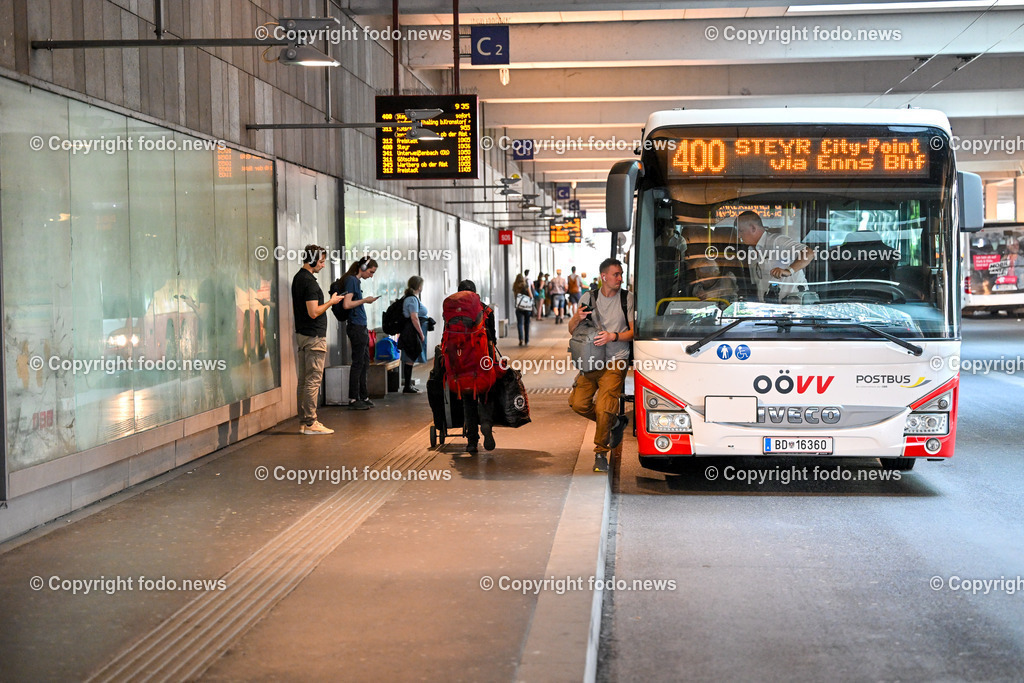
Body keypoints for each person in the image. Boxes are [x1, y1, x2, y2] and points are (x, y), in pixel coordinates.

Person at [568, 258, 634, 472]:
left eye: (621, 274)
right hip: (591, 360)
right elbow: (572, 330)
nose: (620, 278)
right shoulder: (589, 297)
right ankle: (615, 423)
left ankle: (600, 453)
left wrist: (613, 336)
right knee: (578, 403)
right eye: (616, 274)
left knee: (605, 407)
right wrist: (577, 317)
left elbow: (634, 331)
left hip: (616, 359)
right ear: (604, 277)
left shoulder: (627, 298)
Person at [292, 245, 344, 434]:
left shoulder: (298, 278)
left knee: (304, 380)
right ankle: (311, 422)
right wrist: (331, 302)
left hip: (303, 336)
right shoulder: (310, 283)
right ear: (312, 260)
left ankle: (304, 421)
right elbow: (313, 312)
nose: (323, 265)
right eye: (321, 261)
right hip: (314, 337)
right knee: (313, 380)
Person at [454, 280, 497, 454]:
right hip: (483, 362)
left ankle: (472, 441)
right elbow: (493, 339)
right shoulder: (486, 310)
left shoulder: (452, 312)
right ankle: (486, 423)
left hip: (463, 364)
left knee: (468, 401)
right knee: (486, 395)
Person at [333, 256, 379, 410]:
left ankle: (363, 396)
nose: (371, 276)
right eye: (371, 272)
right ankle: (353, 398)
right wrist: (365, 300)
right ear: (363, 268)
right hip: (356, 326)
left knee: (365, 362)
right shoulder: (352, 280)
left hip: (360, 326)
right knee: (358, 363)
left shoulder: (355, 281)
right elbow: (347, 304)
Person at [736, 210, 813, 302]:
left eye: (741, 231)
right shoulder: (751, 251)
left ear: (753, 228)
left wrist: (789, 271)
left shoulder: (777, 241)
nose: (739, 236)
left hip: (794, 304)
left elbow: (808, 253)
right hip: (769, 306)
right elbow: (758, 284)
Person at [398, 275, 428, 393]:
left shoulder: (412, 298)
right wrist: (421, 333)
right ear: (419, 286)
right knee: (409, 357)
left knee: (410, 356)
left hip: (411, 330)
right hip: (411, 331)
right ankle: (407, 386)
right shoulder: (412, 299)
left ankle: (408, 385)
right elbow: (414, 317)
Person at [513, 274, 533, 346]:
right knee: (527, 324)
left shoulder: (515, 286)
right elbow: (531, 296)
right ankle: (526, 340)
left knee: (520, 324)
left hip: (519, 307)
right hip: (527, 307)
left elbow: (515, 296)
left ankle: (521, 339)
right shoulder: (526, 285)